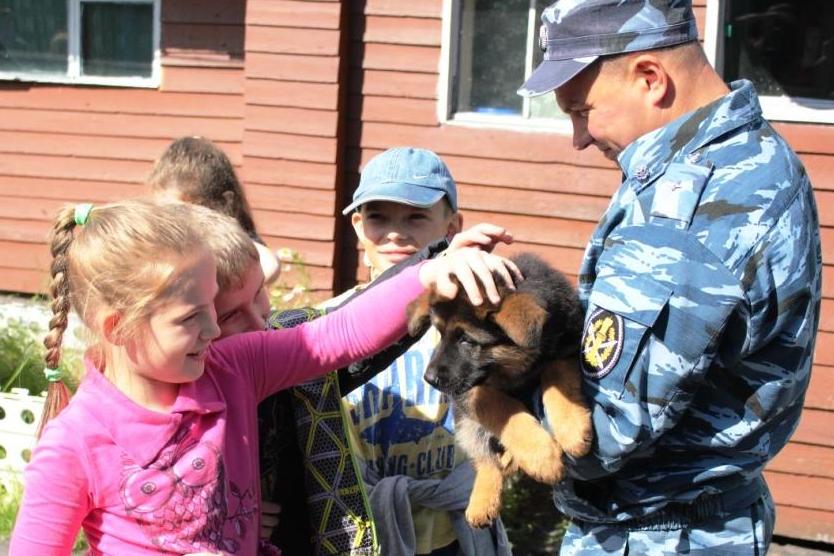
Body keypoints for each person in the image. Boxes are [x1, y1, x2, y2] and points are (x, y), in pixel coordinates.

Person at [10, 199, 519, 555]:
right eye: (191, 318)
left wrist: (429, 272)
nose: (214, 329)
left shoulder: (232, 369)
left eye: (214, 307)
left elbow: (337, 335)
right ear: (117, 327)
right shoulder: (75, 445)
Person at [510, 1, 823, 554]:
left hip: (654, 534)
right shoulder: (751, 155)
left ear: (650, 78)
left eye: (582, 110)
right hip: (702, 518)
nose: (578, 138)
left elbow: (598, 433)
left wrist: (487, 374)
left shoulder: (690, 207)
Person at [337, 147, 512, 556]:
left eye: (416, 216)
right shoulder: (332, 322)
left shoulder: (473, 327)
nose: (396, 233)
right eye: (378, 217)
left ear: (453, 226)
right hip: (359, 530)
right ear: (358, 226)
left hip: (452, 533)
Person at [148, 136, 282, 285]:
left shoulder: (228, 242)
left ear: (223, 204)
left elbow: (269, 265)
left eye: (185, 213)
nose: (176, 222)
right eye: (165, 212)